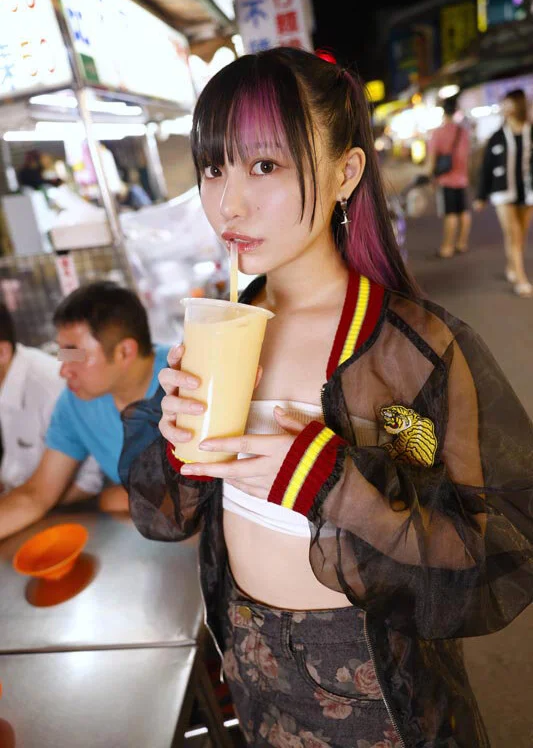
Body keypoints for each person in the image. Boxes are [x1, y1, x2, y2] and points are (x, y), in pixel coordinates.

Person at [119, 49, 533, 747]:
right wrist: (180, 445)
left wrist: (329, 483)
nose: (228, 203)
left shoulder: (412, 347)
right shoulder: (222, 328)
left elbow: (487, 553)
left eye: (264, 166)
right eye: (214, 167)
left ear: (346, 172)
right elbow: (168, 516)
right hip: (247, 654)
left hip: (370, 676)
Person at [0, 281, 169, 541]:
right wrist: (119, 497)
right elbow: (36, 495)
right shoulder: (75, 403)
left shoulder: (186, 376)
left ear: (124, 352)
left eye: (75, 355)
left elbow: (201, 489)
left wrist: (118, 497)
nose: (63, 370)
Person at [0, 303, 100, 498]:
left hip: (72, 508)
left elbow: (89, 482)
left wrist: (23, 503)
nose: (65, 370)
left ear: (2, 353)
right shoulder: (8, 378)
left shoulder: (51, 388)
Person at [474, 87, 533, 297]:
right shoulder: (497, 136)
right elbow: (486, 167)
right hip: (502, 192)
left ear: (518, 105)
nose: (504, 107)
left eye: (508, 103)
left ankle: (511, 265)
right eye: (504, 103)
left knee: (521, 235)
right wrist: (481, 196)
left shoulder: (530, 131)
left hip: (528, 192)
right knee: (513, 233)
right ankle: (521, 278)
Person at [428, 95, 471, 258]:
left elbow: (432, 160)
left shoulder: (438, 133)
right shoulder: (463, 132)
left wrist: (431, 177)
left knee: (450, 213)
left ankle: (447, 247)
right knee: (464, 211)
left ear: (443, 112)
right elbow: (467, 155)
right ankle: (462, 243)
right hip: (462, 178)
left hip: (446, 179)